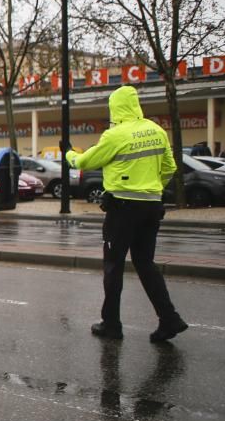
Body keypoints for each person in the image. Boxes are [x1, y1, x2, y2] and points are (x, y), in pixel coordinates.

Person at [67, 85, 187, 343]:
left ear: (115, 107)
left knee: (113, 266)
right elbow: (170, 167)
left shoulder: (116, 134)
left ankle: (111, 324)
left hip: (122, 208)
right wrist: (152, 189)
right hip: (152, 206)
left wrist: (69, 154)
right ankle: (169, 319)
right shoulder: (157, 131)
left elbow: (86, 161)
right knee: (146, 264)